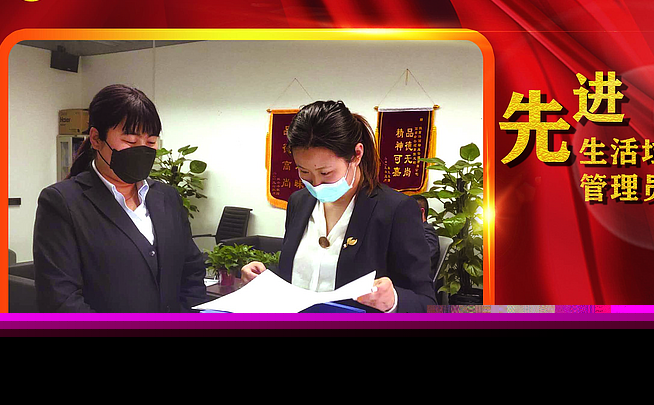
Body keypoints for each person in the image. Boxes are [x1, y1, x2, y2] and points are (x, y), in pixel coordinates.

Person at [241, 100, 435, 312]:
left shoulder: (395, 210)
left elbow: (427, 303)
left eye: (326, 173)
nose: (316, 184)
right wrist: (266, 276)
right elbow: (301, 274)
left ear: (356, 155)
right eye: (304, 172)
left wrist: (393, 301)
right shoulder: (299, 202)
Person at [33, 84, 207, 312]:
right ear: (96, 139)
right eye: (131, 142)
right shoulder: (62, 203)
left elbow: (192, 272)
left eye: (151, 142)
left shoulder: (167, 198)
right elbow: (61, 300)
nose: (142, 150)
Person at [413, 195, 440, 279]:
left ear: (422, 211)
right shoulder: (413, 230)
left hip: (419, 280)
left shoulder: (427, 231)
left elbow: (424, 258)